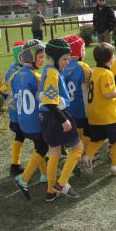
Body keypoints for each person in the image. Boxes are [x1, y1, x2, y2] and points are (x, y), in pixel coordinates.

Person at [39, 39, 83, 201]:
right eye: (64, 59)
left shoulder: (48, 70)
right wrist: (63, 120)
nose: (67, 62)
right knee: (78, 149)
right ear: (55, 57)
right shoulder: (52, 74)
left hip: (46, 117)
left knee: (55, 152)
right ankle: (61, 183)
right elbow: (50, 102)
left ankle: (51, 191)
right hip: (56, 115)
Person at [82, 42, 116, 176]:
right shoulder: (106, 73)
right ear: (110, 58)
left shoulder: (95, 71)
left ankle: (87, 157)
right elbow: (108, 94)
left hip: (94, 114)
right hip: (107, 114)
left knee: (97, 139)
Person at [11, 40, 49, 200]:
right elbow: (43, 99)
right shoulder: (37, 77)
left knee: (38, 146)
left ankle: (44, 175)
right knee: (43, 147)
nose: (43, 60)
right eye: (40, 57)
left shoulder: (15, 75)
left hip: (23, 120)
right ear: (31, 57)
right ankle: (24, 178)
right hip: (35, 120)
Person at [61, 35, 92, 157]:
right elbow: (90, 85)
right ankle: (84, 155)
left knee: (75, 132)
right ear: (77, 50)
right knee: (88, 132)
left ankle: (71, 151)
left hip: (67, 110)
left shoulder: (61, 66)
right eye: (83, 49)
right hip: (82, 108)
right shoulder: (82, 66)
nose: (84, 52)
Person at [0, 40, 26, 177]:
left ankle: (15, 165)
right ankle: (46, 164)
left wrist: (10, 103)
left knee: (19, 136)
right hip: (25, 115)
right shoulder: (22, 72)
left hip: (14, 116)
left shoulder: (11, 69)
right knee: (40, 139)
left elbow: (2, 91)